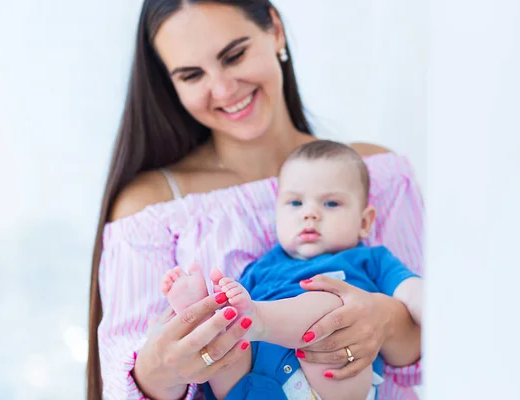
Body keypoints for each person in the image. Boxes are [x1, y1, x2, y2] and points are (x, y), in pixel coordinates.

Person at [87, 1, 423, 399]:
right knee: (229, 343)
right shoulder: (152, 208)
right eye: (192, 75)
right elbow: (121, 380)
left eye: (235, 55)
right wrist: (166, 361)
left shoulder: (377, 174)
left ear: (275, 30)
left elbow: (439, 338)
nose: (225, 89)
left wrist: (382, 320)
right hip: (247, 383)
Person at [161, 140, 423, 400]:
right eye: (296, 203)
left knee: (333, 304)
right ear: (277, 215)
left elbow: (410, 289)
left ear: (364, 222)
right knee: (228, 339)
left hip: (331, 382)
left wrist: (427, 302)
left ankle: (257, 319)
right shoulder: (261, 267)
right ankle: (203, 316)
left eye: (331, 204)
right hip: (256, 387)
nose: (310, 214)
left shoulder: (370, 259)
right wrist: (226, 317)